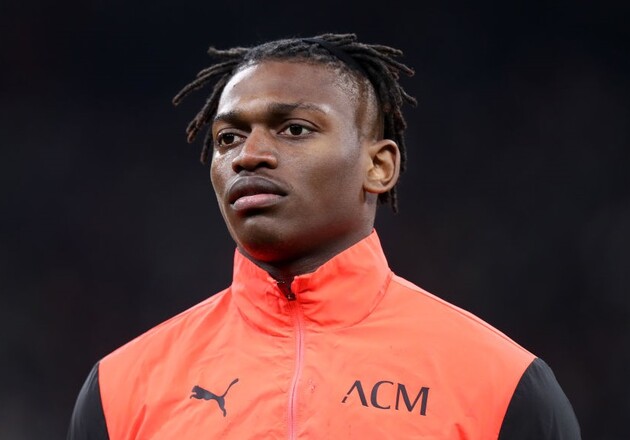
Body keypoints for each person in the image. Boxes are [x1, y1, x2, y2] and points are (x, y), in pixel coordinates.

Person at [67, 33, 582, 439]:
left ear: (378, 166)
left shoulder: (502, 385)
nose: (248, 155)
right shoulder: (121, 388)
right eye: (229, 137)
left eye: (294, 129)